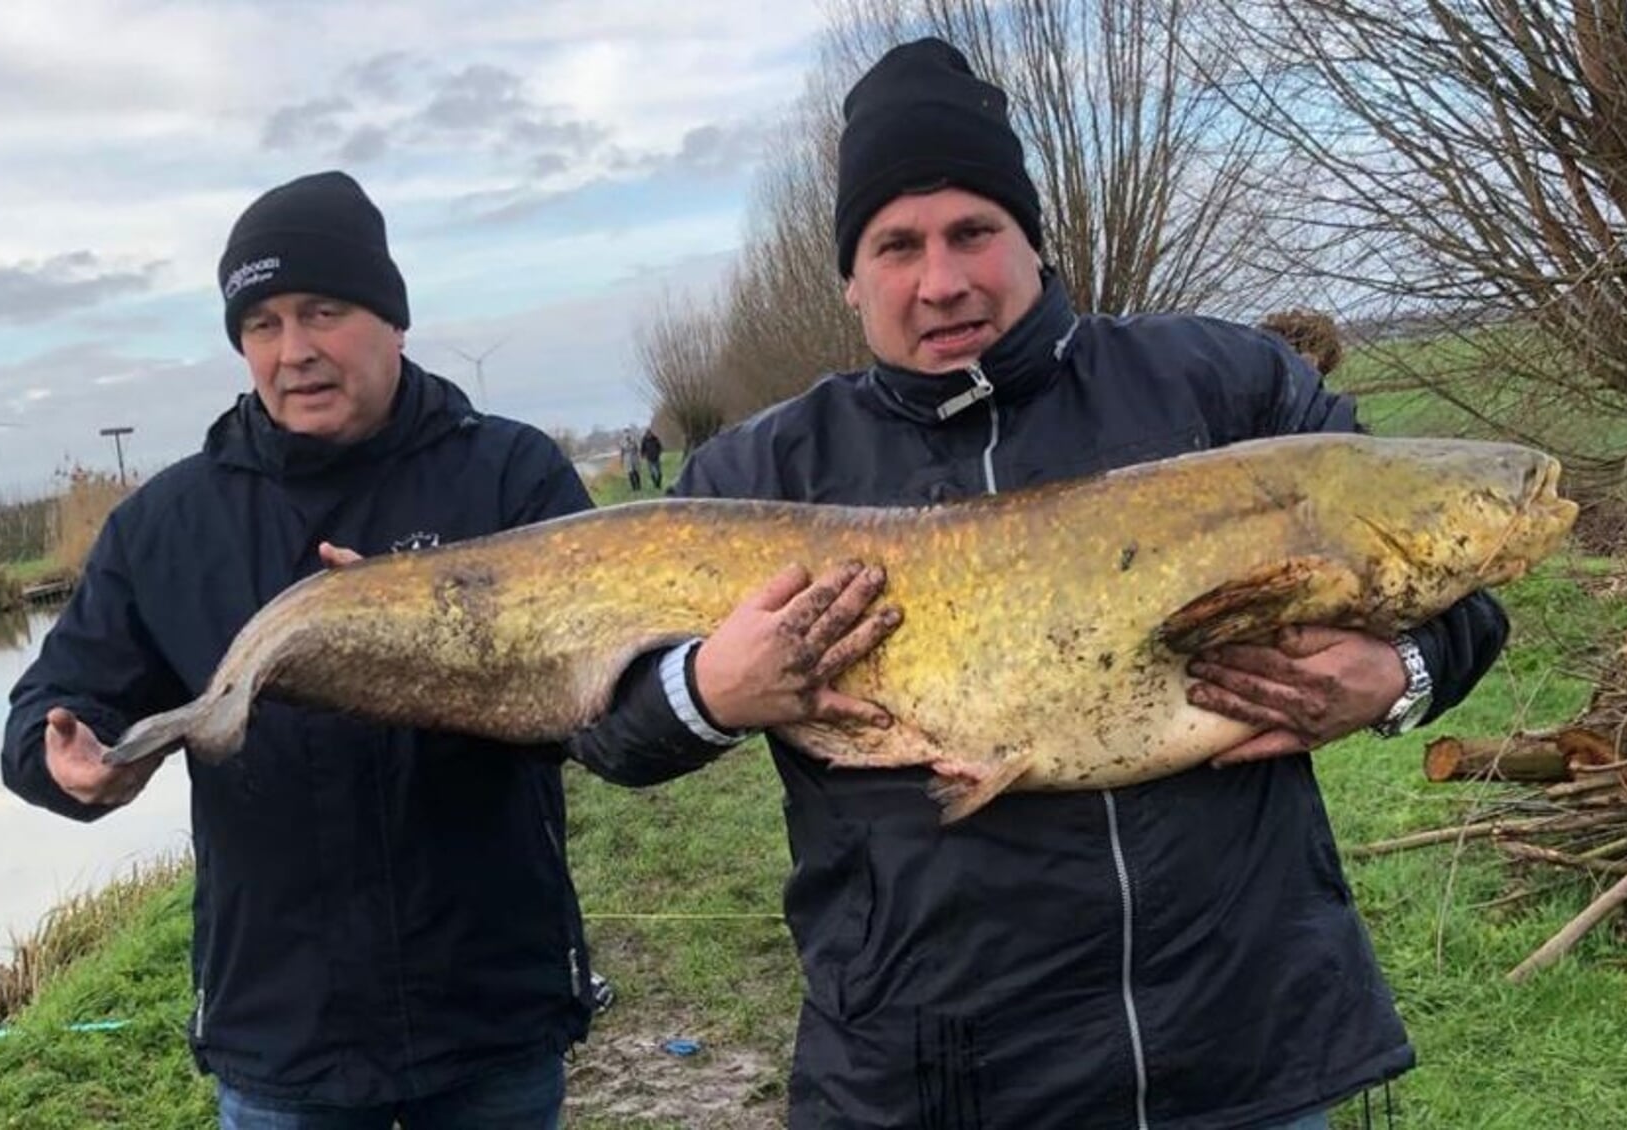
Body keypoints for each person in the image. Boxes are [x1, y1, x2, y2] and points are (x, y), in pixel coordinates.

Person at [574, 39, 1508, 1130]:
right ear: (848, 273)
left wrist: (1392, 673)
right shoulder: (754, 478)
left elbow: (1463, 590)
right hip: (927, 1078)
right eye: (896, 245)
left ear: (1029, 236)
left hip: (1240, 1055)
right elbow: (605, 729)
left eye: (974, 231)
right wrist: (708, 690)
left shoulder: (1226, 389)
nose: (942, 280)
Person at [1, 171, 595, 1128]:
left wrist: (430, 645)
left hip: (492, 1014)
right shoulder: (164, 525)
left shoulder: (512, 477)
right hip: (282, 1038)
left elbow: (596, 710)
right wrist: (60, 760)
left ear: (394, 319)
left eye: (324, 310)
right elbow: (54, 706)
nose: (295, 351)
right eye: (263, 323)